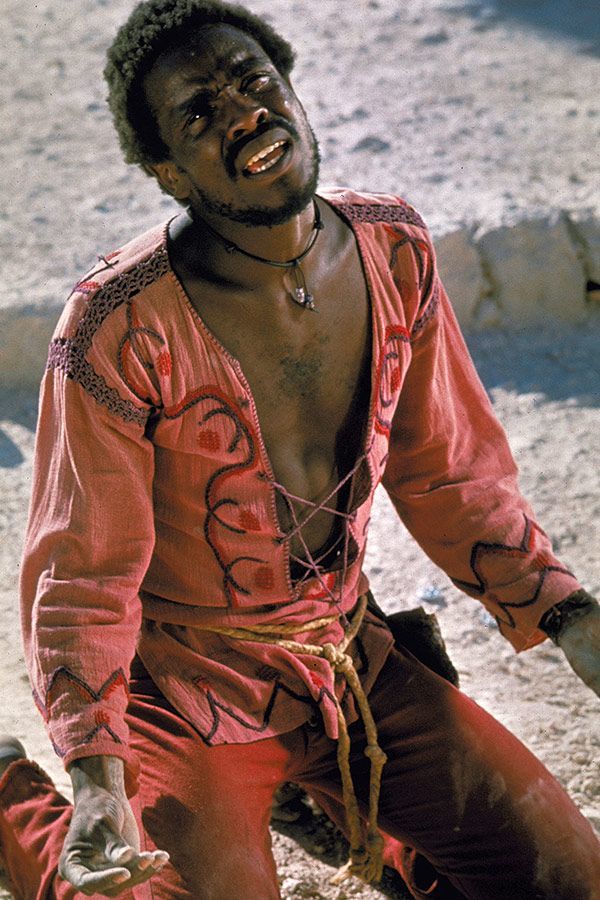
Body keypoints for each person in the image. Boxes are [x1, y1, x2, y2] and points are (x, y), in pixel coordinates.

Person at [2, 0, 599, 897]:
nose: (243, 113)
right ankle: (14, 805)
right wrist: (95, 779)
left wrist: (569, 616)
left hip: (346, 654)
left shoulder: (394, 249)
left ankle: (358, 824)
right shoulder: (115, 328)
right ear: (166, 170)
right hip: (186, 690)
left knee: (568, 882)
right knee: (125, 876)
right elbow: (83, 571)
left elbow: (450, 473)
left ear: (291, 92)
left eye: (254, 81)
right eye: (199, 113)